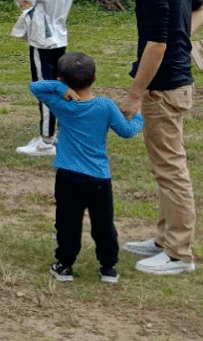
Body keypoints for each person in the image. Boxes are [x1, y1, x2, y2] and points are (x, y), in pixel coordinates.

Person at [119, 0, 203, 275]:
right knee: (164, 168)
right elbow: (202, 7)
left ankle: (179, 254)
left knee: (172, 171)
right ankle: (163, 240)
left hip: (165, 90)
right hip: (173, 87)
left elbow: (156, 44)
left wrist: (134, 94)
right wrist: (182, 37)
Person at [30, 52, 143, 284]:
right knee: (104, 224)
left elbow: (36, 87)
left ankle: (64, 266)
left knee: (67, 222)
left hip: (68, 176)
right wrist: (138, 116)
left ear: (61, 79)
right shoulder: (105, 106)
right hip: (100, 178)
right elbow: (127, 131)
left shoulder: (61, 104)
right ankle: (108, 267)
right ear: (95, 78)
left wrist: (60, 89)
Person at [12, 0, 75, 157]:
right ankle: (54, 134)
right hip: (60, 34)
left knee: (44, 88)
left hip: (42, 38)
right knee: (58, 85)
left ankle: (46, 141)